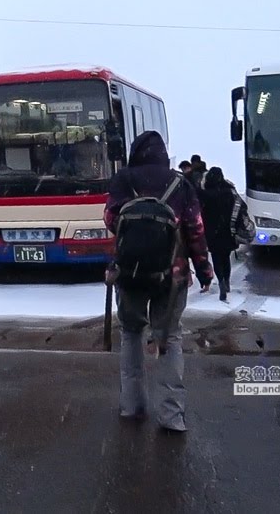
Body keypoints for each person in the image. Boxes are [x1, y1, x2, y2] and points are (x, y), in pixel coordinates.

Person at [104, 131, 213, 433]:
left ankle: (132, 406)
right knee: (170, 339)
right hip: (173, 276)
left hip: (130, 272)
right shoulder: (181, 184)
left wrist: (140, 228)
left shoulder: (124, 180)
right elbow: (196, 230)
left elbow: (111, 219)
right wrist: (204, 270)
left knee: (131, 335)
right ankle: (171, 416)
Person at [197, 166, 239, 301]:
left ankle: (220, 280)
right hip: (228, 230)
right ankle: (226, 281)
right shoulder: (229, 192)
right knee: (226, 257)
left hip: (212, 231)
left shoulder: (206, 194)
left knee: (216, 257)